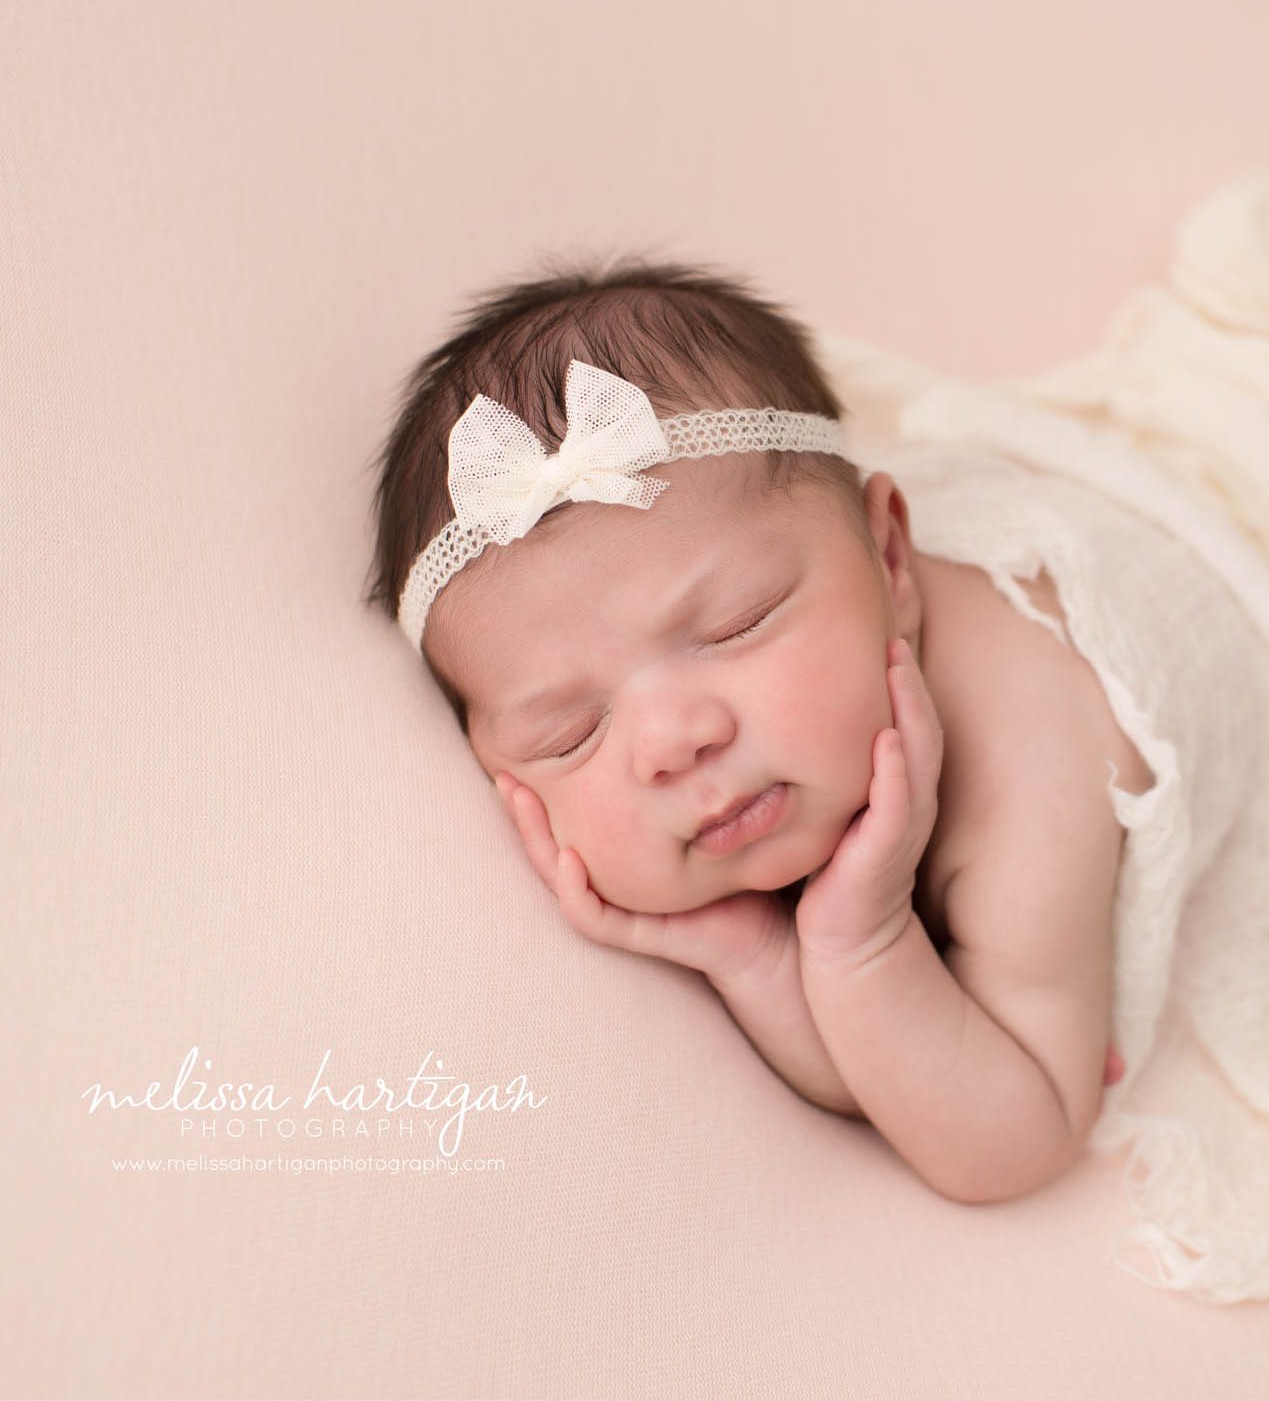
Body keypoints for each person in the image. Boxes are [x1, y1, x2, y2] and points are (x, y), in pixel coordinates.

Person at [364, 259, 1132, 1207]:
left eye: (735, 625)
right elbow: (897, 1080)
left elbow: (1013, 1137)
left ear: (889, 561)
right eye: (569, 733)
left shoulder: (1027, 768)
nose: (672, 742)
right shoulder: (801, 748)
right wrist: (760, 956)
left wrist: (866, 942)